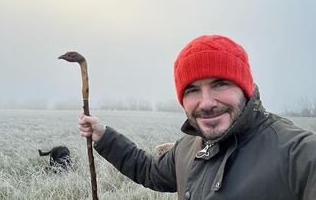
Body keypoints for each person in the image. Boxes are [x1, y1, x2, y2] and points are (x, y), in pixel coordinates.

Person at [78, 35, 316, 200]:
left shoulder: (299, 154)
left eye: (220, 84)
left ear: (245, 89)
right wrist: (104, 136)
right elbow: (149, 170)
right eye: (192, 90)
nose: (207, 103)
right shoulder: (188, 149)